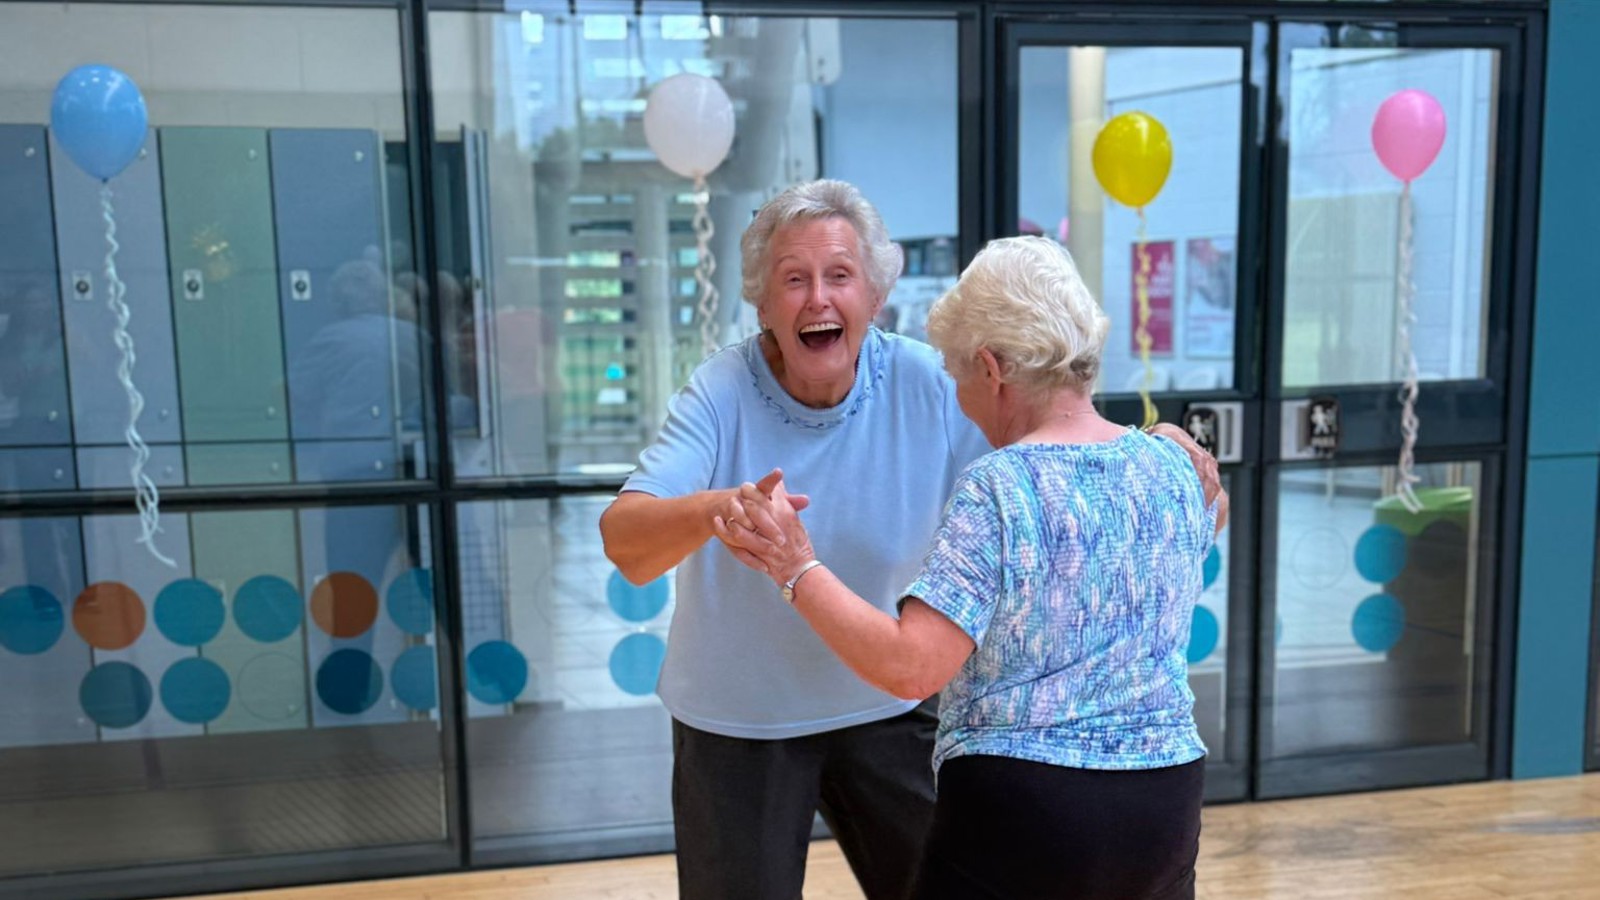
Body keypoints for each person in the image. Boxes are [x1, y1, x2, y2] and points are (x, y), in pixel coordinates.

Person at [598, 182, 1223, 900]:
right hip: (742, 719)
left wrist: (1159, 444)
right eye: (793, 280)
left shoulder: (936, 381)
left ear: (875, 296)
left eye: (839, 276)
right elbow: (625, 542)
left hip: (888, 710)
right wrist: (722, 507)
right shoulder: (720, 390)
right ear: (762, 305)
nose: (817, 299)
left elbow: (1057, 445)